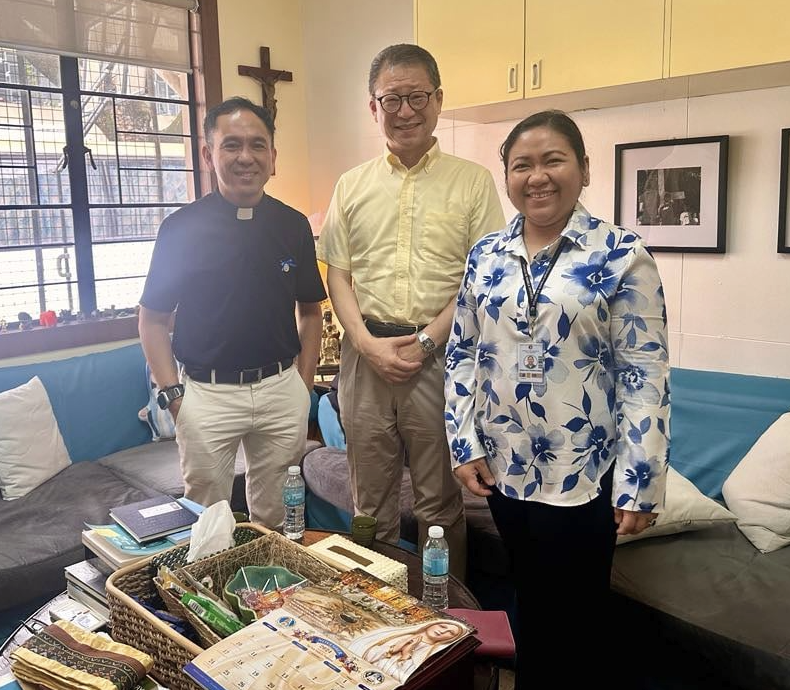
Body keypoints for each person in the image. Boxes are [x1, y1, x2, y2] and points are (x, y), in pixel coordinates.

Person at [444, 110, 670, 688]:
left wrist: (640, 482)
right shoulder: (487, 254)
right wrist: (463, 443)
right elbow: (463, 352)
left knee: (578, 618)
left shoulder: (621, 254)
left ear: (584, 169)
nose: (537, 177)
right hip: (505, 468)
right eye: (522, 165)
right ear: (507, 177)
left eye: (553, 160)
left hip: (584, 475)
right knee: (532, 604)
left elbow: (644, 371)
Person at [317, 45, 504, 579]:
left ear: (438, 100)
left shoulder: (473, 183)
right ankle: (375, 614)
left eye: (416, 96)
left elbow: (480, 280)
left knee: (439, 506)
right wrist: (368, 345)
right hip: (364, 357)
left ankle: (447, 623)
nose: (405, 110)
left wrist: (424, 342)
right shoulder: (351, 186)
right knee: (367, 505)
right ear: (373, 107)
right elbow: (340, 275)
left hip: (440, 357)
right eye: (391, 99)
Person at [139, 97, 326, 529]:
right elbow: (150, 322)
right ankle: (207, 594)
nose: (246, 157)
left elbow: (311, 312)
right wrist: (174, 399)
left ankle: (269, 596)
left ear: (273, 157)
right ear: (209, 154)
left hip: (281, 389)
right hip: (207, 394)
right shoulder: (180, 230)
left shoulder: (293, 225)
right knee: (207, 522)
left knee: (277, 517)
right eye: (232, 145)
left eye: (258, 145)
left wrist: (303, 385)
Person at [349, 619, 468, 680]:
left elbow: (408, 678)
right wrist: (392, 649)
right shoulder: (393, 633)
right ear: (432, 624)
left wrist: (406, 655)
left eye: (450, 633)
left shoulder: (434, 654)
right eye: (442, 626)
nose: (442, 631)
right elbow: (357, 652)